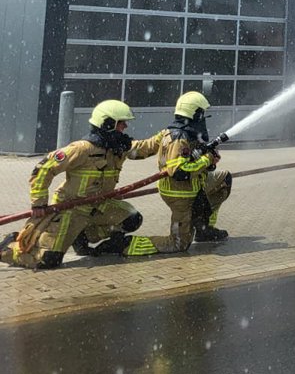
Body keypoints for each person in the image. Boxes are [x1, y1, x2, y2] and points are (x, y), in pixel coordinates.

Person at [0, 100, 158, 270]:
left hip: (99, 206)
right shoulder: (81, 149)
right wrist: (39, 202)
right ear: (108, 124)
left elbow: (144, 148)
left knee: (132, 218)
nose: (125, 127)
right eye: (121, 123)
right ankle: (7, 248)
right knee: (47, 260)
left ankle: (82, 236)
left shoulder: (118, 148)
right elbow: (43, 169)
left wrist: (166, 135)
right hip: (70, 210)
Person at [116, 91, 232, 257]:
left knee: (224, 180)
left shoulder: (175, 133)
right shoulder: (179, 137)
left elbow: (144, 147)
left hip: (194, 186)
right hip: (179, 194)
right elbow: (179, 172)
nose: (204, 118)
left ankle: (205, 229)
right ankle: (124, 245)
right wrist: (207, 159)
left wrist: (210, 163)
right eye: (202, 113)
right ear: (195, 113)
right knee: (179, 244)